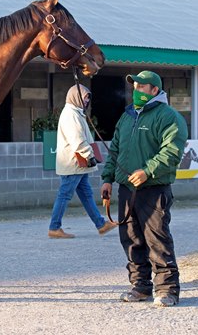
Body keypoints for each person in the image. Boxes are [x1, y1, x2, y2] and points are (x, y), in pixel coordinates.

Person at [101, 70, 188, 307]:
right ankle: (140, 287)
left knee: (157, 239)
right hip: (126, 189)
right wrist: (107, 178)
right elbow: (115, 150)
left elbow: (171, 151)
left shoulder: (168, 116)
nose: (136, 90)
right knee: (131, 239)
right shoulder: (127, 116)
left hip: (153, 189)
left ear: (155, 90)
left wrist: (148, 170)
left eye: (142, 86)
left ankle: (167, 289)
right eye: (135, 86)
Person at [48, 84, 116, 239]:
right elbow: (77, 140)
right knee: (65, 195)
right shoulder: (72, 114)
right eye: (85, 98)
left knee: (85, 194)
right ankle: (54, 227)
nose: (86, 101)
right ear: (76, 97)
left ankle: (101, 224)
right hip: (74, 163)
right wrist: (89, 155)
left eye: (87, 98)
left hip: (77, 163)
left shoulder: (75, 113)